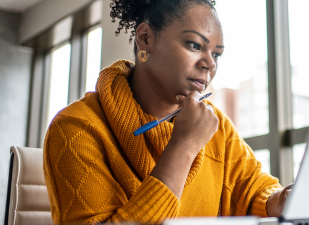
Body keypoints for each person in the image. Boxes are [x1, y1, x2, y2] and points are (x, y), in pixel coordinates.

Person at [43, 0, 291, 224]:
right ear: (145, 39)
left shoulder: (216, 125)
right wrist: (184, 146)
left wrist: (278, 200)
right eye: (195, 45)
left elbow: (253, 190)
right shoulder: (75, 127)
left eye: (216, 54)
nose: (210, 63)